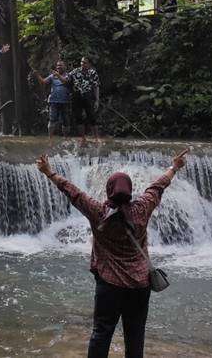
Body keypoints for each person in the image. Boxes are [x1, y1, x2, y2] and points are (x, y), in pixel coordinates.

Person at [36, 149, 189, 358]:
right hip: (139, 285)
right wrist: (174, 167)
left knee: (102, 333)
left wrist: (48, 172)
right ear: (130, 191)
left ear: (109, 191)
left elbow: (72, 191)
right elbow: (158, 186)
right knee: (135, 335)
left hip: (109, 286)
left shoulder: (99, 213)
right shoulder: (142, 209)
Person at [33, 60, 71, 139]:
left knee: (65, 121)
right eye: (57, 66)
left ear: (65, 67)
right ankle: (50, 138)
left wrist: (58, 75)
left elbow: (65, 82)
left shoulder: (68, 75)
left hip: (65, 101)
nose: (58, 67)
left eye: (60, 65)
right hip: (53, 101)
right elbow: (43, 82)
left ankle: (66, 138)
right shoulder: (52, 76)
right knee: (52, 120)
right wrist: (37, 75)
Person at [68, 57, 100, 145]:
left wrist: (97, 100)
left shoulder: (92, 73)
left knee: (92, 117)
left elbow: (96, 86)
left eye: (85, 63)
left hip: (88, 96)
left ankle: (96, 137)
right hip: (77, 97)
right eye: (81, 62)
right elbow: (66, 80)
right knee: (78, 118)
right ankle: (83, 138)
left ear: (89, 64)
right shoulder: (75, 72)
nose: (83, 64)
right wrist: (58, 76)